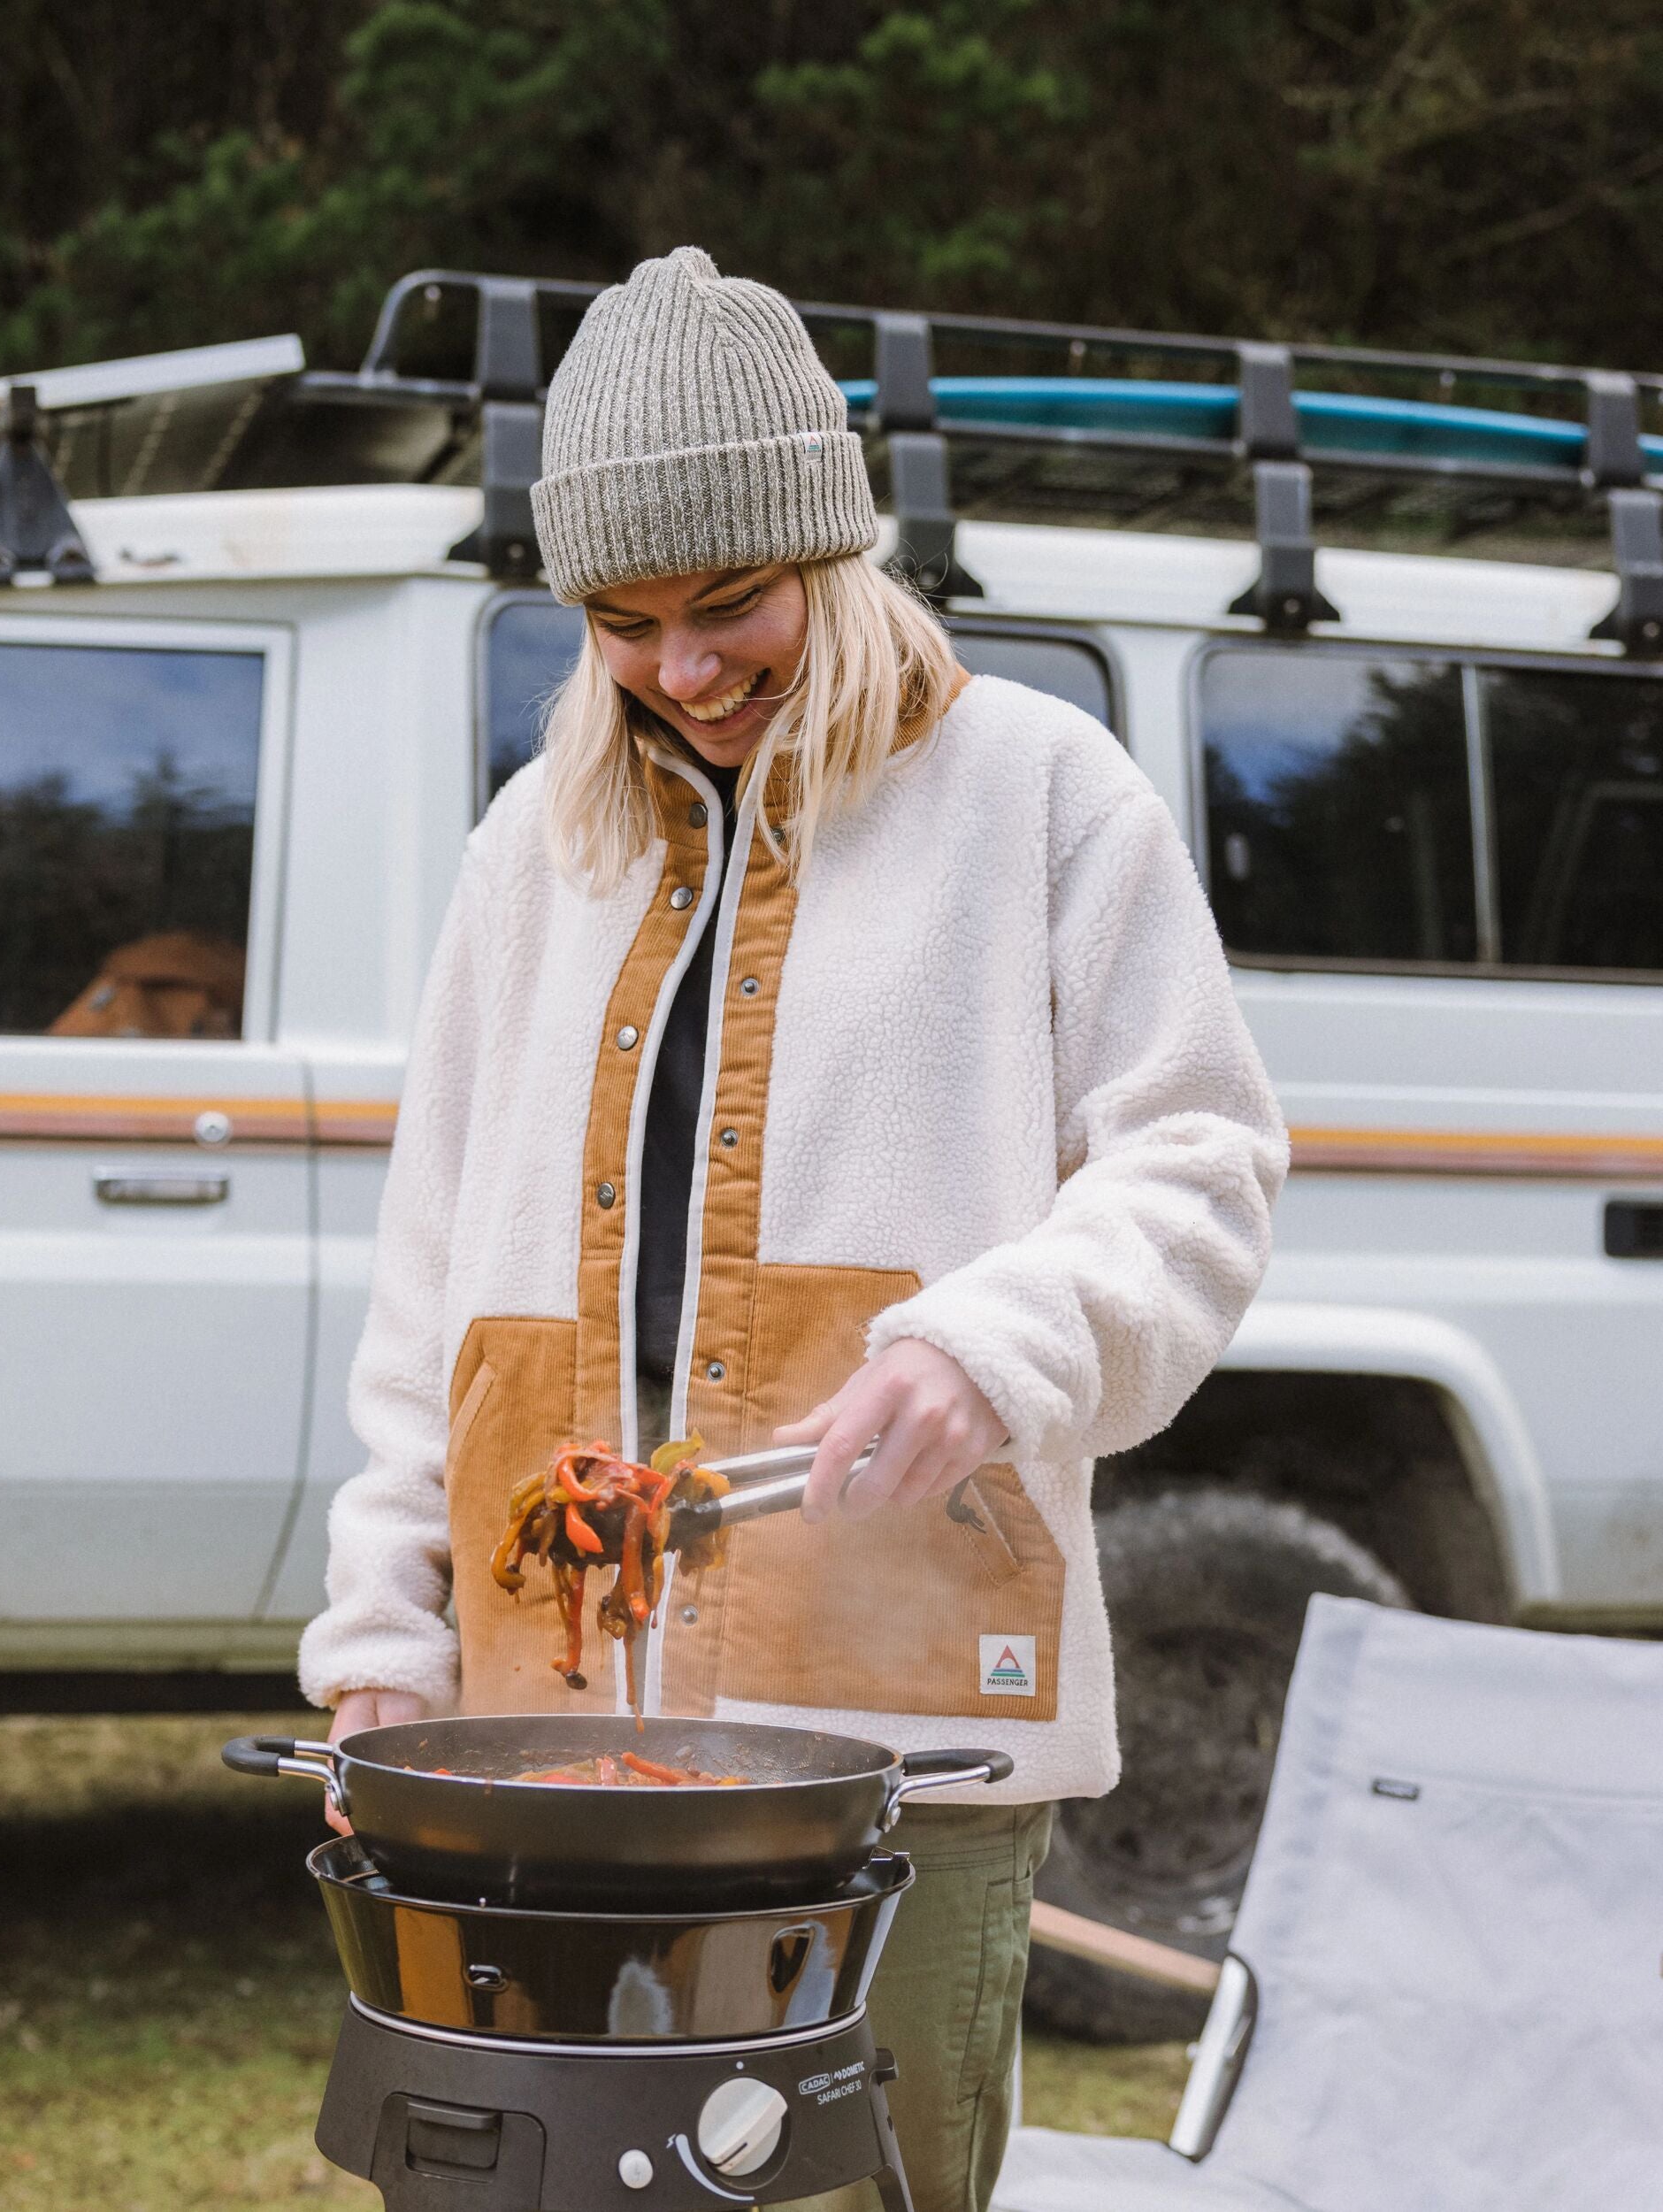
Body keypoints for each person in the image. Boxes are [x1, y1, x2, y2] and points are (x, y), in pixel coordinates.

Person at [299, 246, 1287, 2212]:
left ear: (837, 553)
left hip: (895, 1746)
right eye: (623, 621)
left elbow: (1200, 1163)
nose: (682, 669)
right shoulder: (533, 846)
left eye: (729, 602)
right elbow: (433, 1296)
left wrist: (995, 1346)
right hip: (542, 1748)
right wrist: (386, 1631)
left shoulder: (1039, 794)